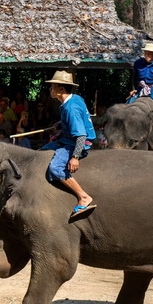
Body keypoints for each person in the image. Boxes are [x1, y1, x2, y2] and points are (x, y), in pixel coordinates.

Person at [41, 70, 97, 219]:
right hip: (67, 138)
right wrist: (60, 124)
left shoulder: (70, 108)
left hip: (77, 142)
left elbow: (81, 135)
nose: (50, 89)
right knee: (42, 152)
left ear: (61, 89)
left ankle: (83, 196)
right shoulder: (74, 99)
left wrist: (75, 157)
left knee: (55, 168)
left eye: (52, 86)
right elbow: (76, 121)